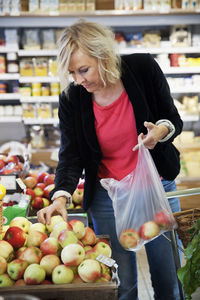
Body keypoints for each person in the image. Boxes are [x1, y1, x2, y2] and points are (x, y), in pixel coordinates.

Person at [37, 19, 183, 300]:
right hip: (108, 198)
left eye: (83, 69)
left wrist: (160, 132)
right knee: (120, 282)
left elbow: (172, 118)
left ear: (103, 55)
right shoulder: (72, 99)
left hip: (156, 187)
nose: (79, 80)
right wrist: (60, 196)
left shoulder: (142, 69)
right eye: (72, 73)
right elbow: (71, 154)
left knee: (168, 278)